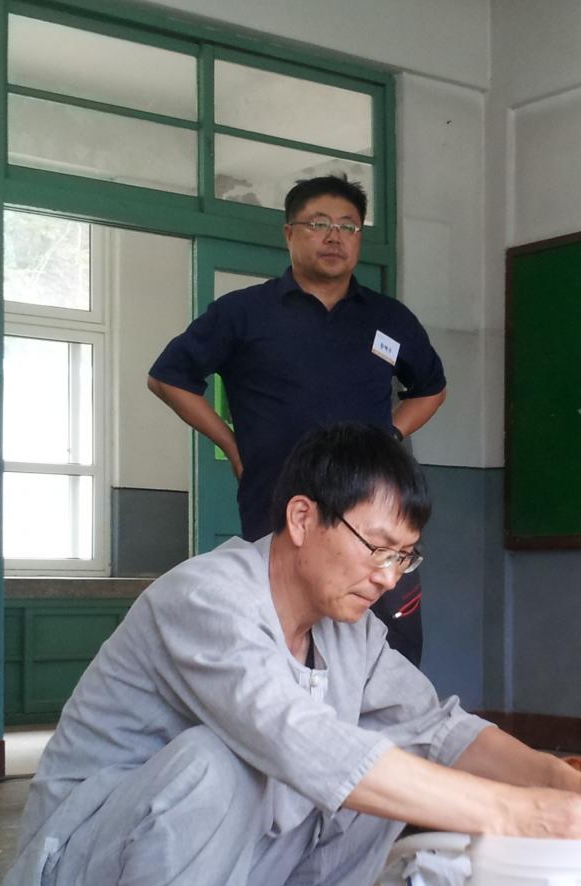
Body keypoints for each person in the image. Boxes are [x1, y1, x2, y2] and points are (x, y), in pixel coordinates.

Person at [1, 423, 581, 886]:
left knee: (394, 751)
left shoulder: (349, 632)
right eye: (377, 549)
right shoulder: (207, 599)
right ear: (303, 518)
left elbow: (435, 728)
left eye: (404, 557)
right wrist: (520, 815)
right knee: (228, 759)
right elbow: (298, 742)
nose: (388, 577)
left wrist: (563, 781)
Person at [148, 175, 444, 665]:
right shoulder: (244, 312)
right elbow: (167, 378)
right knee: (283, 651)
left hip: (375, 518)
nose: (335, 236)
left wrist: (389, 435)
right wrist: (231, 444)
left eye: (348, 226)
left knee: (389, 655)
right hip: (277, 506)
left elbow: (431, 389)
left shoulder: (389, 319)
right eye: (319, 224)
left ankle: (383, 720)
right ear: (289, 233)